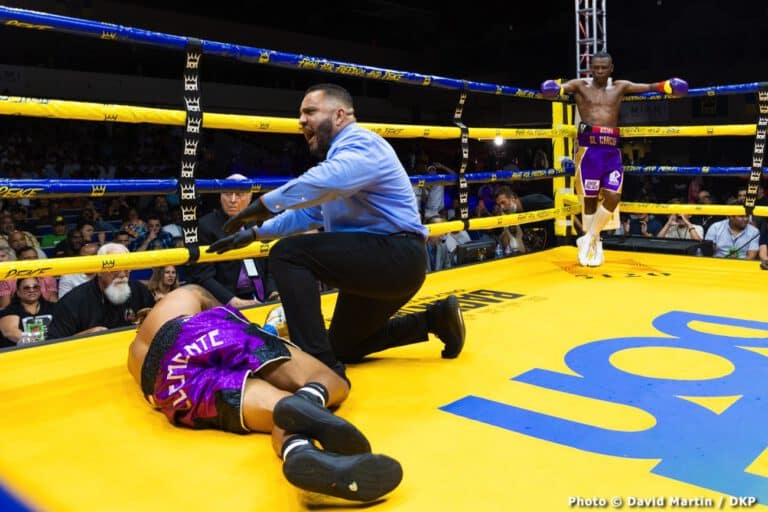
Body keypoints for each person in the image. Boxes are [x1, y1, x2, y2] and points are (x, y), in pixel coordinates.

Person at [207, 83, 465, 382]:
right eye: (300, 114)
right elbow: (307, 213)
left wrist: (264, 205)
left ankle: (318, 367)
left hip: (397, 256)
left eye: (310, 111)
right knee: (345, 345)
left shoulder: (362, 145)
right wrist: (254, 234)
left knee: (288, 255)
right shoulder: (342, 162)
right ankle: (436, 319)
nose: (301, 120)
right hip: (384, 265)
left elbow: (325, 181)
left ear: (340, 115)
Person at [127, 285, 402, 502]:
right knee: (329, 380)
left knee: (279, 409)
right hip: (201, 332)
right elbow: (211, 302)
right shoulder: (177, 301)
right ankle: (309, 398)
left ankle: (298, 452)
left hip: (169, 384)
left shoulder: (133, 358)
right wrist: (258, 332)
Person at [541, 51, 688, 266]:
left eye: (604, 67)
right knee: (589, 200)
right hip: (589, 151)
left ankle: (589, 237)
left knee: (613, 197)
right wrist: (552, 88)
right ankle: (596, 243)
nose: (600, 71)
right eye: (596, 67)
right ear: (591, 68)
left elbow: (648, 87)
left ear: (611, 68)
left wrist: (667, 86)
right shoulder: (580, 85)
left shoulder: (620, 86)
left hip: (611, 151)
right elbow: (554, 90)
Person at [185, 173, 277, 309]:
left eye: (239, 194)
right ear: (220, 195)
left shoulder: (259, 221)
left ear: (250, 197)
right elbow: (203, 276)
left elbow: (271, 265)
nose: (233, 200)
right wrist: (232, 301)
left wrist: (273, 292)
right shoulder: (206, 225)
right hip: (225, 299)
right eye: (228, 194)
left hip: (261, 295)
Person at [48, 243, 156, 339]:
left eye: (127, 268)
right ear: (99, 271)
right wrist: (84, 337)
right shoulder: (72, 302)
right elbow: (53, 345)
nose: (123, 274)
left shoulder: (140, 292)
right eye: (115, 268)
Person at [0, 277, 55, 347]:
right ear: (18, 293)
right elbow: (10, 332)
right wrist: (39, 344)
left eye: (35, 287)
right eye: (26, 288)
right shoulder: (9, 311)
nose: (32, 290)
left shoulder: (52, 308)